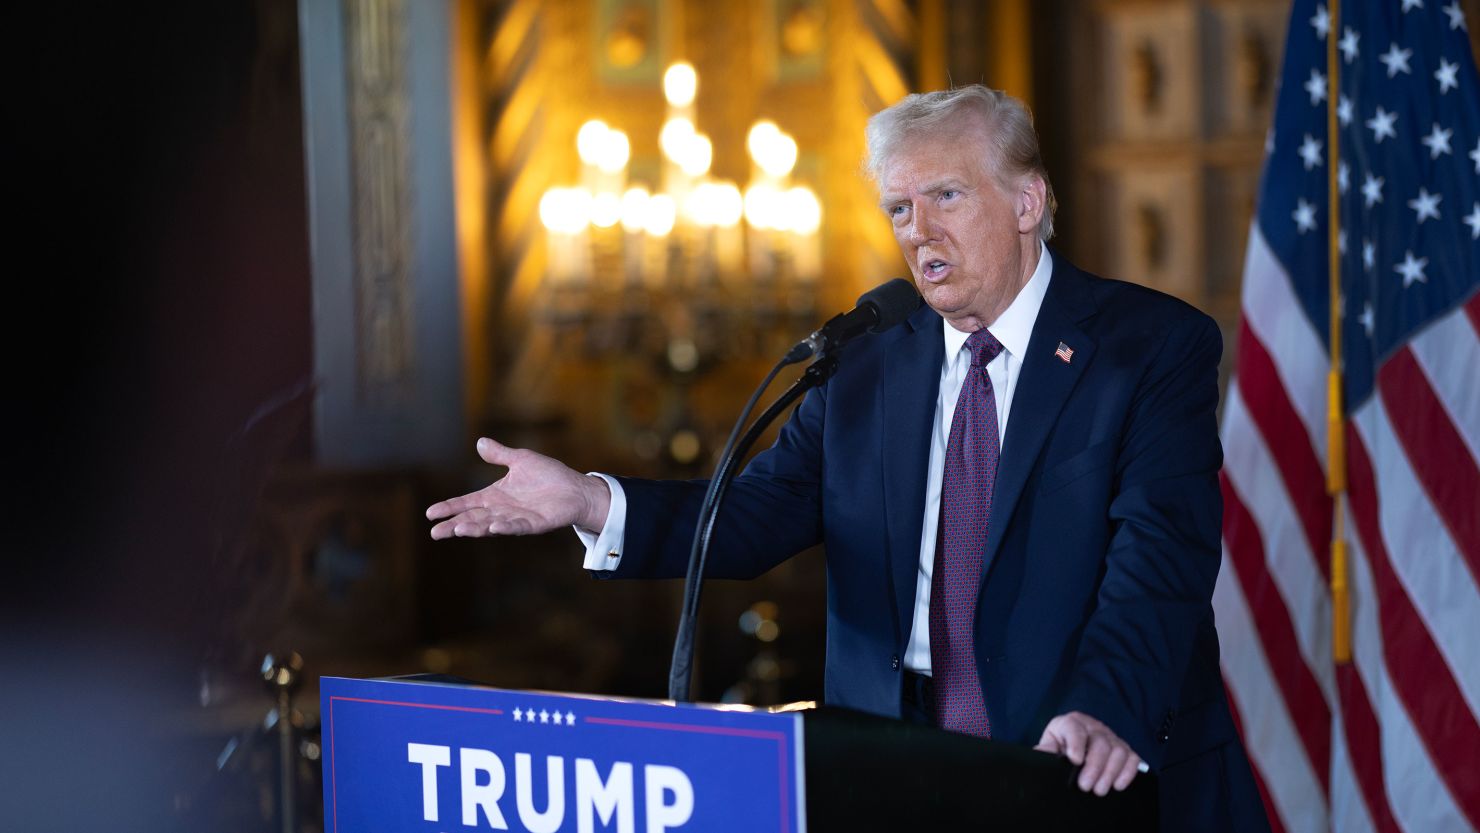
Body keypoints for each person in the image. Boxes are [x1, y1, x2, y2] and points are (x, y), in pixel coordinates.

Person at [428, 86, 1269, 831]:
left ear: (1027, 202)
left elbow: (1160, 554)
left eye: (945, 196)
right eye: (899, 207)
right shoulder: (865, 356)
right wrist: (589, 502)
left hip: (1084, 758)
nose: (919, 231)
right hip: (896, 767)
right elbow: (755, 515)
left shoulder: (1148, 346)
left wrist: (1106, 706)